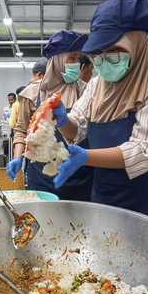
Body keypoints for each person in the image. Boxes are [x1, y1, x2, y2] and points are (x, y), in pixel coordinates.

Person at [52, 0, 148, 220]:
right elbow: (77, 130)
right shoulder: (98, 84)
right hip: (107, 191)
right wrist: (62, 121)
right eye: (97, 57)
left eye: (113, 53)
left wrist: (85, 157)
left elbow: (142, 151)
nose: (103, 63)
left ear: (136, 44)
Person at [8, 30, 93, 201]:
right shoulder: (32, 93)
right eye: (72, 58)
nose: (77, 63)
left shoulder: (86, 91)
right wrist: (17, 157)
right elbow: (21, 130)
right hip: (42, 176)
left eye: (78, 58)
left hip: (79, 175)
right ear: (57, 60)